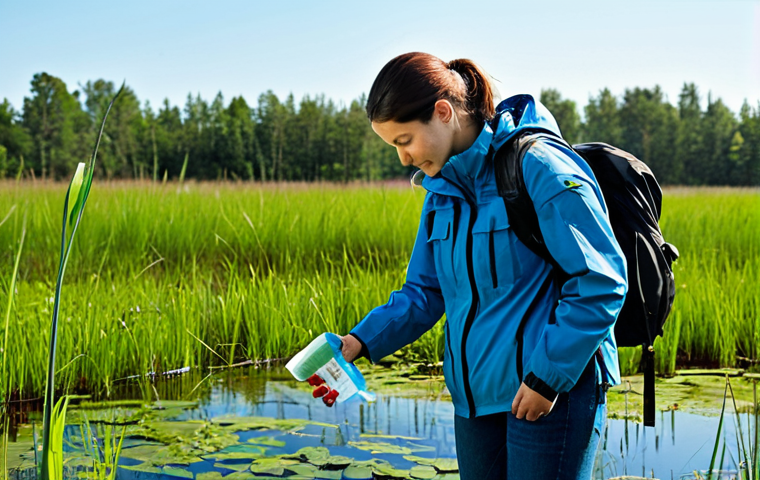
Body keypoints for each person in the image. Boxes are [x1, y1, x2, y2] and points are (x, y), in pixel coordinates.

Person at [336, 52, 627, 480]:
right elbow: (423, 294)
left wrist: (547, 379)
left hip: (551, 393)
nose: (403, 158)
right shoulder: (441, 194)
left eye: (404, 140)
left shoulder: (540, 167)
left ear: (443, 112)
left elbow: (601, 280)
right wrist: (359, 342)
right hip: (475, 402)